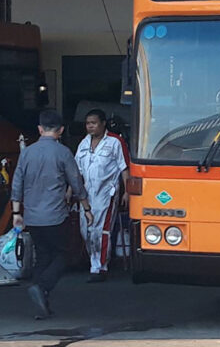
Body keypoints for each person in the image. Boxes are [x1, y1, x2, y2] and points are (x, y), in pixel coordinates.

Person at [10, 109, 93, 319]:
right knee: (62, 255)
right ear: (61, 130)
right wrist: (87, 208)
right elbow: (76, 182)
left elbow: (17, 183)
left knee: (43, 256)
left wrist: (16, 213)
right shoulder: (63, 152)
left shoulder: (27, 153)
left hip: (32, 217)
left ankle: (41, 302)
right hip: (55, 216)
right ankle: (42, 287)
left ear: (39, 129)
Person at [74, 109, 128, 282]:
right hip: (86, 194)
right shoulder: (83, 143)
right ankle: (94, 260)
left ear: (103, 123)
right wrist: (70, 190)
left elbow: (124, 168)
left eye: (94, 123)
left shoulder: (115, 142)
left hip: (107, 193)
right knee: (86, 230)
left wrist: (127, 191)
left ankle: (100, 268)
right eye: (88, 123)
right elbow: (76, 171)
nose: (90, 126)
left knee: (101, 230)